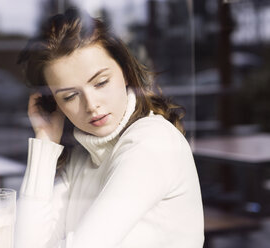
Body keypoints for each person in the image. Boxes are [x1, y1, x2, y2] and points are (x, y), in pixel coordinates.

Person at [15, 8, 204, 248]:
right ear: (54, 103)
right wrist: (45, 140)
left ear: (125, 72)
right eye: (70, 96)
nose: (92, 105)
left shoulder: (152, 143)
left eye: (101, 82)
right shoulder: (83, 153)